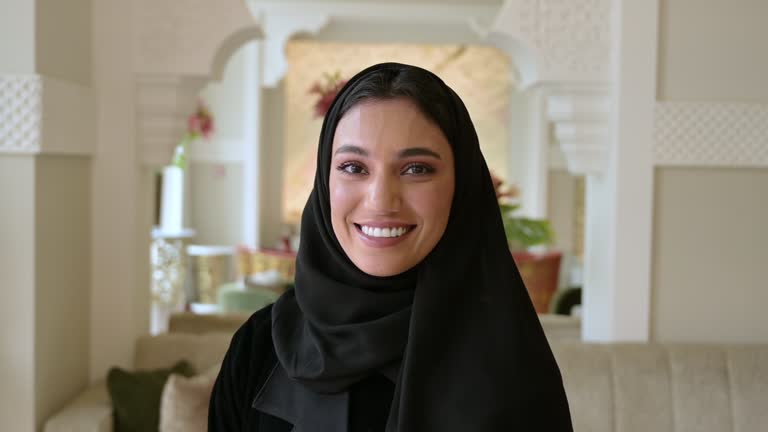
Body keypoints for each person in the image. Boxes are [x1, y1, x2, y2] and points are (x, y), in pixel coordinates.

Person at [209, 62, 573, 431]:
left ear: (461, 186)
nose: (381, 200)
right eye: (353, 167)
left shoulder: (510, 363)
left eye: (416, 169)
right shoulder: (258, 348)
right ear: (324, 182)